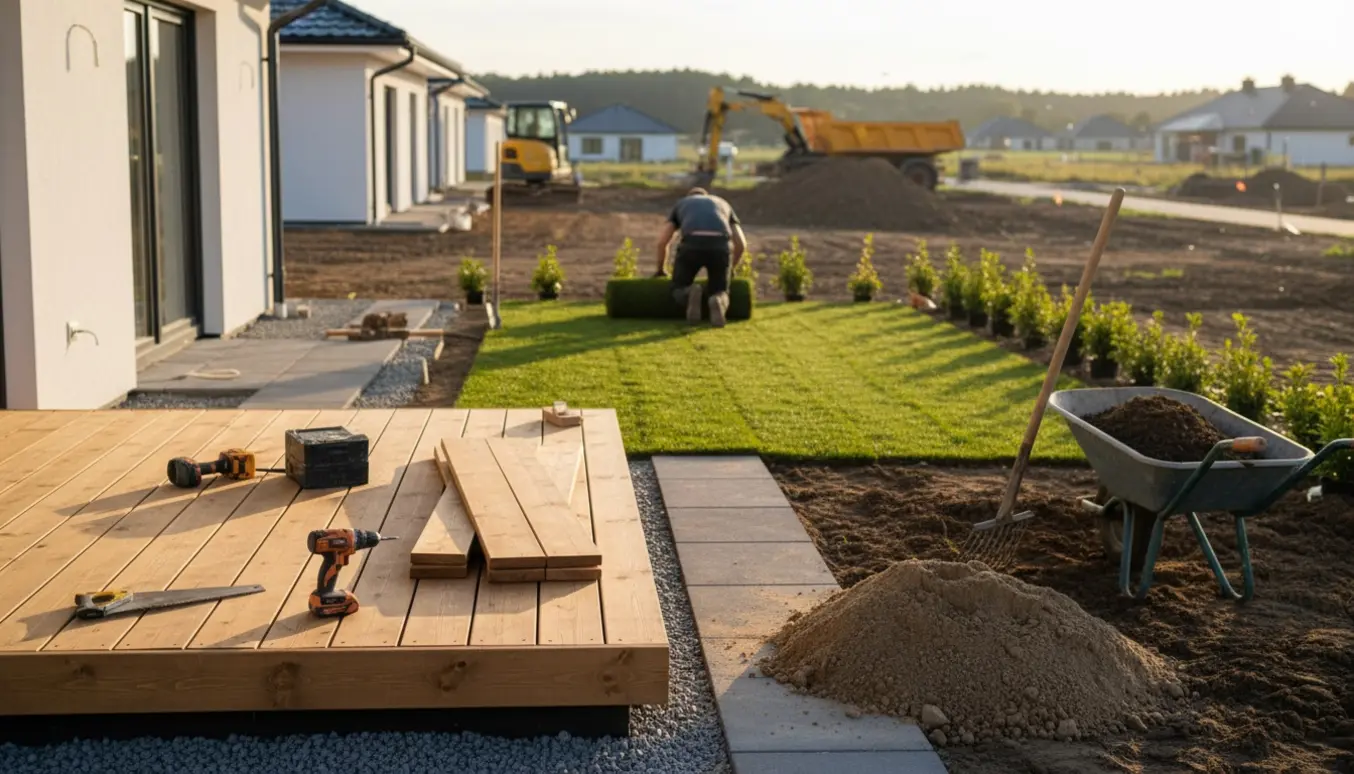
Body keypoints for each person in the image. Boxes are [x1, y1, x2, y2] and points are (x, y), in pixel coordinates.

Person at [655, 188, 747, 327]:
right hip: (720, 244)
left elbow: (662, 242)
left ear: (690, 197)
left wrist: (660, 269)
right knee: (721, 290)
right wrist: (731, 269)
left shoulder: (683, 204)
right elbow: (741, 244)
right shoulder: (722, 204)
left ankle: (689, 293)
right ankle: (718, 300)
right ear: (707, 196)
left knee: (678, 288)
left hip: (692, 243)